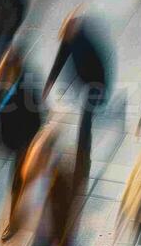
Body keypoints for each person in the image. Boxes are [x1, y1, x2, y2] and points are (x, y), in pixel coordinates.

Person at [43, 11, 113, 172]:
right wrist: (48, 86)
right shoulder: (68, 41)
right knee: (86, 115)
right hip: (83, 81)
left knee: (86, 119)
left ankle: (83, 152)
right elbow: (58, 62)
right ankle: (83, 151)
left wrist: (103, 88)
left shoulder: (86, 42)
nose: (65, 37)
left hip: (95, 84)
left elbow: (102, 65)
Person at [0, 47, 43, 242]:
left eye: (4, 68)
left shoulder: (26, 89)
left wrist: (26, 145)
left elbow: (36, 120)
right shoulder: (2, 86)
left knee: (16, 183)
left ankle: (14, 223)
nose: (0, 71)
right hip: (7, 138)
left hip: (23, 143)